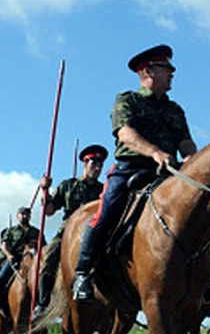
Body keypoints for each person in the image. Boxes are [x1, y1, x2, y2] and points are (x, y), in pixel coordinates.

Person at [73, 44, 197, 300]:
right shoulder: (127, 100)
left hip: (167, 174)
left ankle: (202, 280)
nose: (172, 73)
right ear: (148, 71)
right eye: (166, 69)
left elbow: (185, 142)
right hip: (130, 171)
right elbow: (125, 134)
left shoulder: (175, 110)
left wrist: (194, 162)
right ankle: (83, 273)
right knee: (106, 213)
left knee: (199, 215)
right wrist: (154, 152)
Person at [32, 144, 106, 318]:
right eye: (93, 163)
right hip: (69, 230)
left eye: (101, 164)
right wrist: (45, 190)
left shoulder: (104, 189)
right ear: (84, 163)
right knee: (50, 257)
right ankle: (43, 304)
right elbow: (49, 211)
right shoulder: (68, 185)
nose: (97, 168)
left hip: (96, 228)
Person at [0, 207, 43, 322]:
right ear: (18, 216)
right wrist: (9, 255)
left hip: (31, 260)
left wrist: (36, 245)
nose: (24, 216)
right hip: (14, 259)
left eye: (27, 214)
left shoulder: (36, 232)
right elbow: (4, 245)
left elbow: (44, 247)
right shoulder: (11, 231)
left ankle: (44, 303)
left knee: (45, 277)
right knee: (0, 279)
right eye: (22, 214)